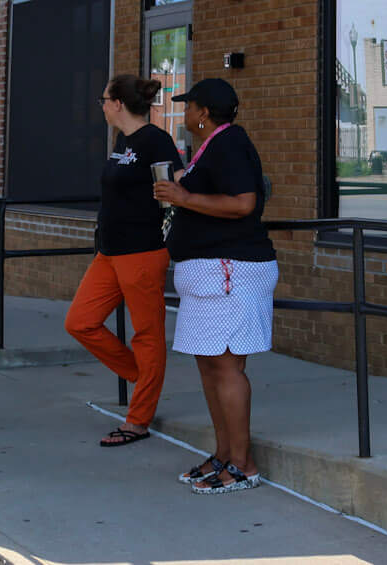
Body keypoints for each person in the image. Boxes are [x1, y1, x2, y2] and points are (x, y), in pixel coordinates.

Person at [152, 77, 277, 493]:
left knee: (225, 365)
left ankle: (244, 464)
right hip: (208, 270)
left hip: (232, 269)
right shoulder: (212, 147)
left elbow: (244, 203)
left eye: (189, 106)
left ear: (203, 113)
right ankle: (224, 455)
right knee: (210, 363)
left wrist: (183, 198)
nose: (185, 112)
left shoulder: (230, 144)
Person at [64, 74, 182, 447]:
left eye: (103, 99)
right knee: (80, 322)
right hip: (109, 254)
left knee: (147, 335)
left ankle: (138, 419)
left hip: (143, 253)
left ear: (117, 104)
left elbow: (175, 189)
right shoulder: (123, 140)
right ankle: (144, 376)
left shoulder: (156, 141)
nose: (100, 105)